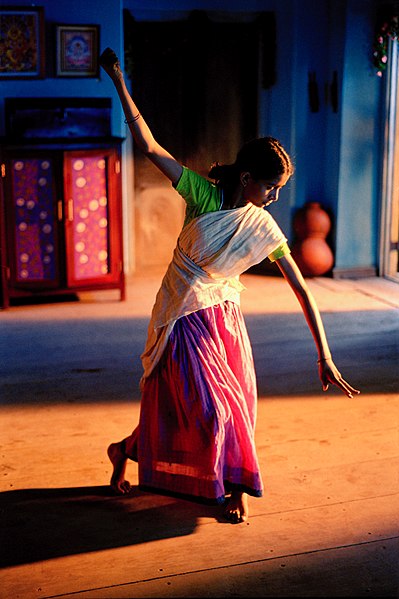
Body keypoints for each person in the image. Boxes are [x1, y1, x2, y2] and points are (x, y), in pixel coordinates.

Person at [99, 48, 360, 524]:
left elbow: (302, 289)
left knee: (233, 406)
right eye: (270, 188)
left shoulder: (263, 226)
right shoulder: (201, 193)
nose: (275, 198)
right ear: (246, 179)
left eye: (280, 189)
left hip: (223, 317)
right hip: (182, 313)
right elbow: (152, 147)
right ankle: (128, 448)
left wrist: (324, 355)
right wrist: (119, 79)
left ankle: (233, 487)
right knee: (202, 406)